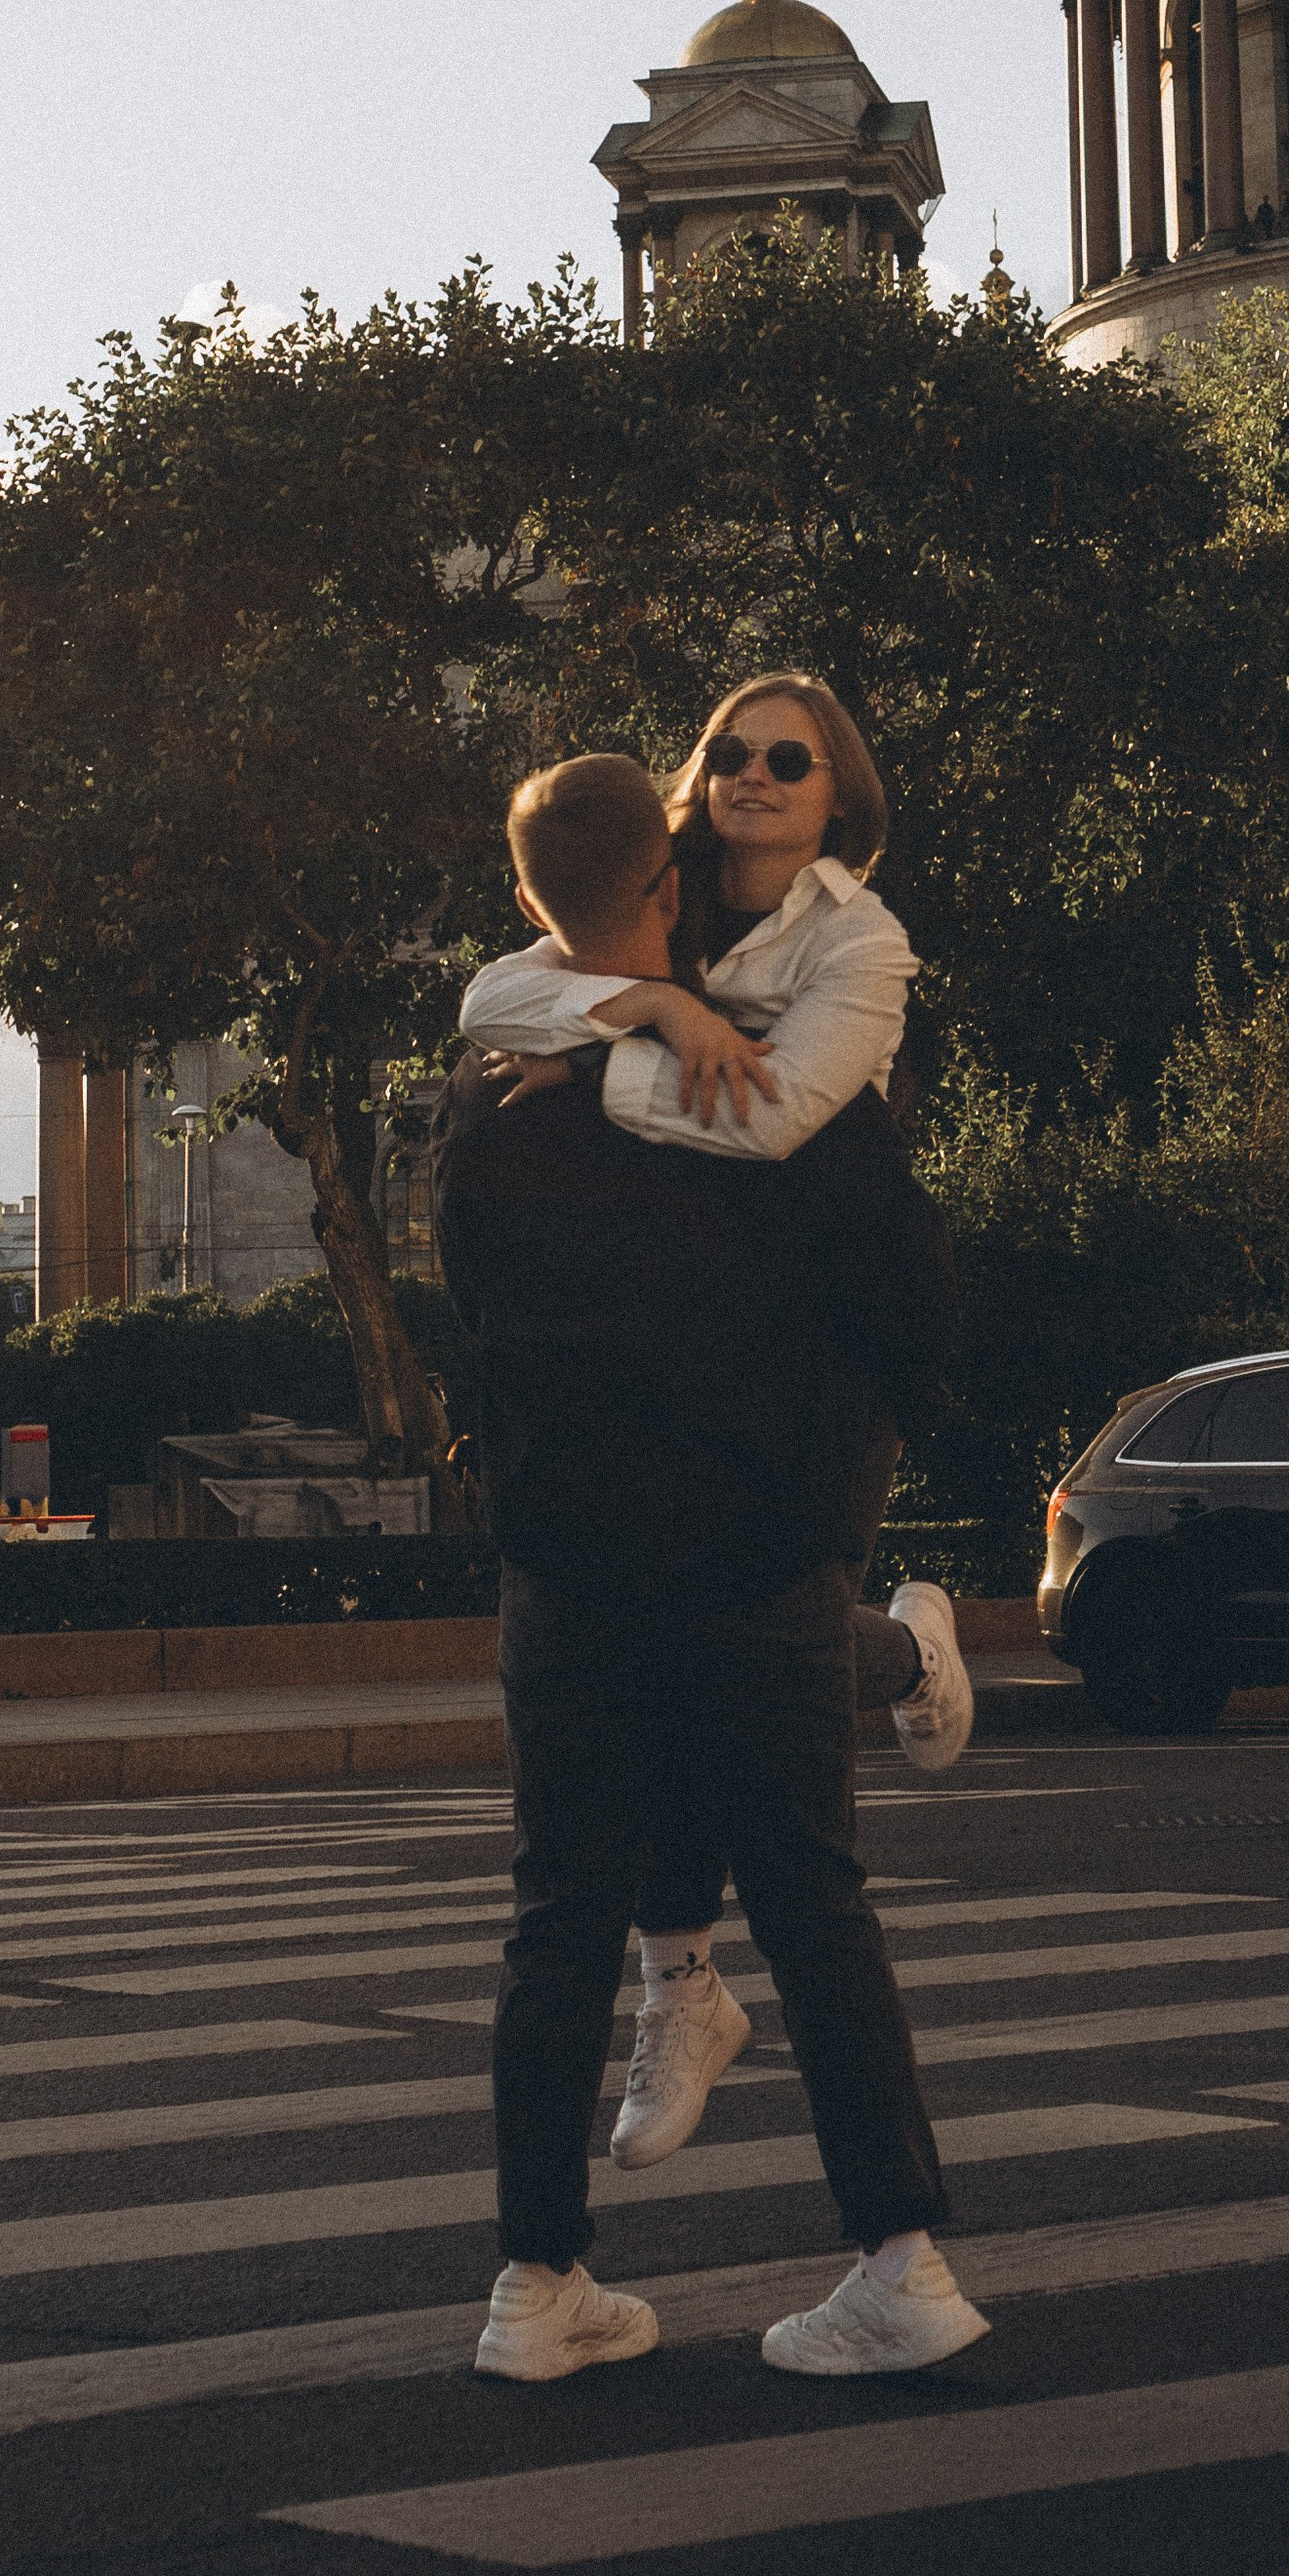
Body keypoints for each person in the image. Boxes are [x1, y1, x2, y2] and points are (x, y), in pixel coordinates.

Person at [435, 750, 987, 2388]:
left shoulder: (490, 1112)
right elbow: (914, 1315)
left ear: (537, 905)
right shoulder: (768, 1102)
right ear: (665, 887)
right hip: (753, 1551)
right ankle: (900, 2261)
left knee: (556, 1919)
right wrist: (829, 1500)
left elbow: (476, 1332)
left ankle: (539, 2285)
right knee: (817, 1903)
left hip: (569, 1563)